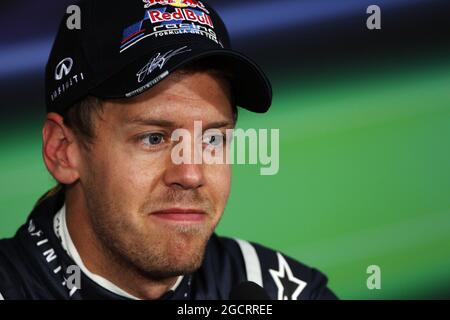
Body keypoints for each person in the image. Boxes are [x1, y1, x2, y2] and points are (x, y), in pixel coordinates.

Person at [0, 0, 337, 300]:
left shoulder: (280, 289)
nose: (191, 174)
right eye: (154, 139)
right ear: (63, 150)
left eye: (212, 140)